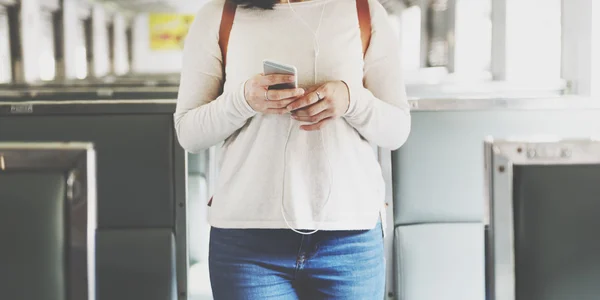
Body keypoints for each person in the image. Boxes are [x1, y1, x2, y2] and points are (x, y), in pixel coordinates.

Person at [174, 0, 411, 298]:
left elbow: (397, 130)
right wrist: (243, 101)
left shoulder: (364, 11)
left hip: (350, 241)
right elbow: (189, 133)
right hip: (247, 243)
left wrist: (351, 100)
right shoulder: (221, 15)